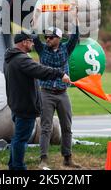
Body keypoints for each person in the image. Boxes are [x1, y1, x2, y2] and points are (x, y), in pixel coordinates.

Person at [4, 32, 71, 170]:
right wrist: (60, 74)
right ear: (24, 42)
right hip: (25, 106)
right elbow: (40, 70)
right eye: (30, 41)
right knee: (21, 140)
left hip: (17, 105)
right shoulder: (22, 59)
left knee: (18, 138)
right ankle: (18, 167)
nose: (33, 43)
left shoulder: (10, 58)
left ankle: (13, 165)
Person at [33, 24, 81, 169]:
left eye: (51, 37)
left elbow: (75, 37)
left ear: (59, 38)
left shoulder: (66, 49)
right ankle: (43, 159)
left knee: (67, 126)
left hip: (62, 93)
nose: (47, 39)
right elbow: (34, 36)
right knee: (46, 127)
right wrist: (34, 23)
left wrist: (75, 21)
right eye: (46, 36)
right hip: (46, 93)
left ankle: (67, 158)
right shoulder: (42, 49)